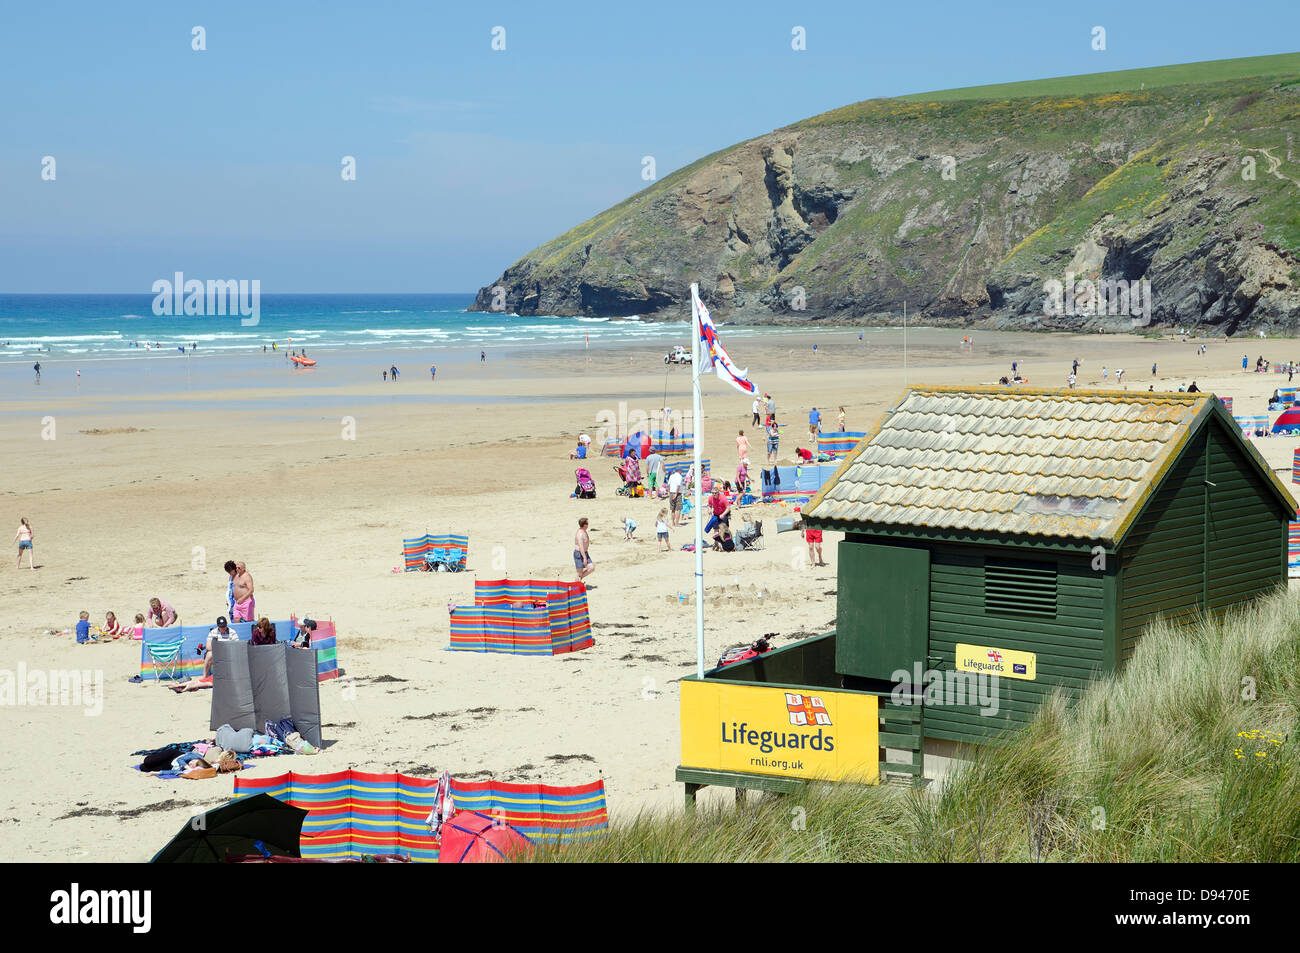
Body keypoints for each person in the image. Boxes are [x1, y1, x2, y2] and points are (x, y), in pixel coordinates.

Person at [574, 517, 595, 582]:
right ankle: (576, 586)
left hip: (585, 553)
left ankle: (579, 579)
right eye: (587, 523)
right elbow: (581, 547)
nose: (588, 525)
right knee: (579, 573)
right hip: (579, 554)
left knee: (591, 568)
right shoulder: (580, 533)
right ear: (585, 525)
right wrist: (584, 558)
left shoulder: (584, 531)